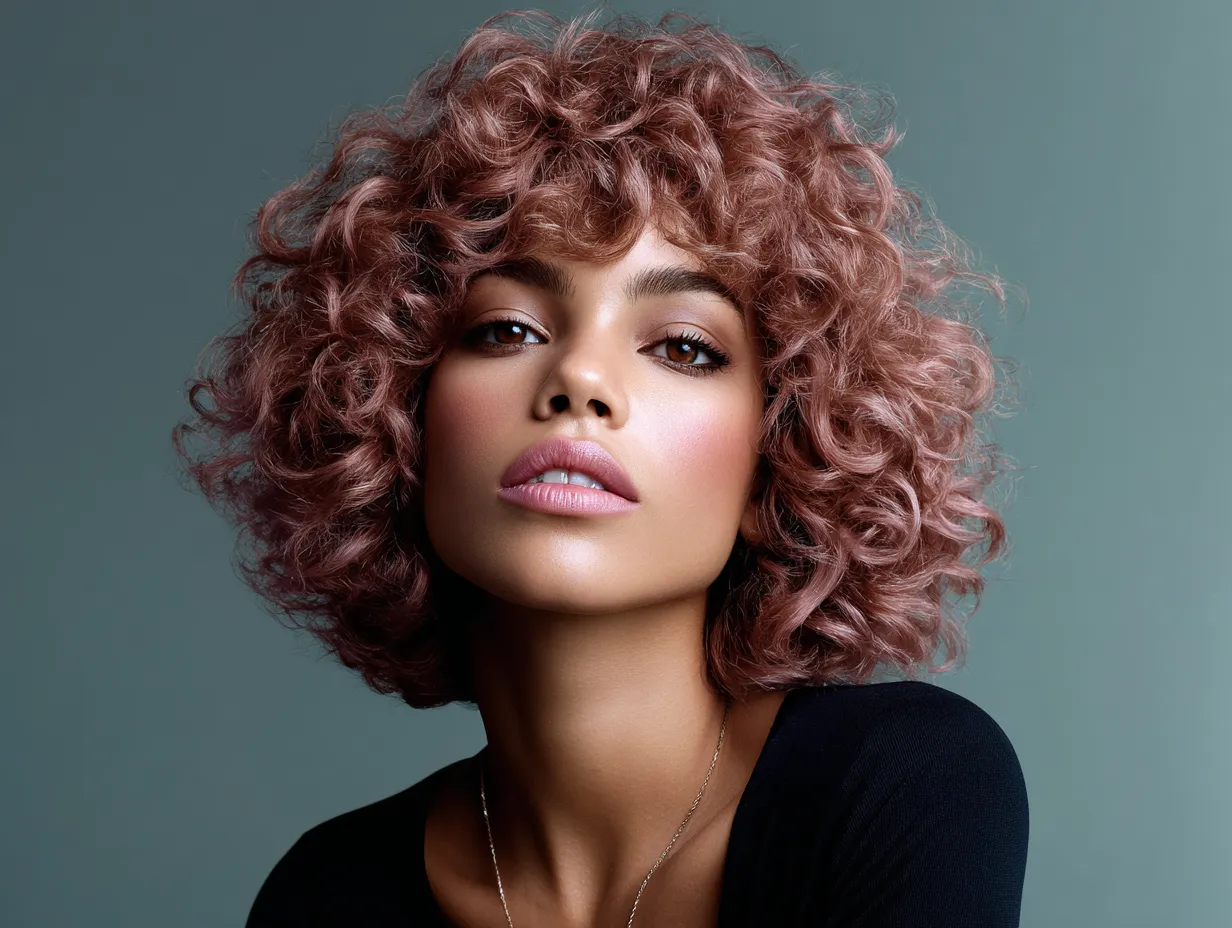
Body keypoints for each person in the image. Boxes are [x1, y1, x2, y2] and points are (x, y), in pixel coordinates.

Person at [173, 8, 1028, 927]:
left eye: (685, 348)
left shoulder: (901, 784)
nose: (579, 377)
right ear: (399, 424)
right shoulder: (326, 897)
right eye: (509, 330)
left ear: (780, 457)